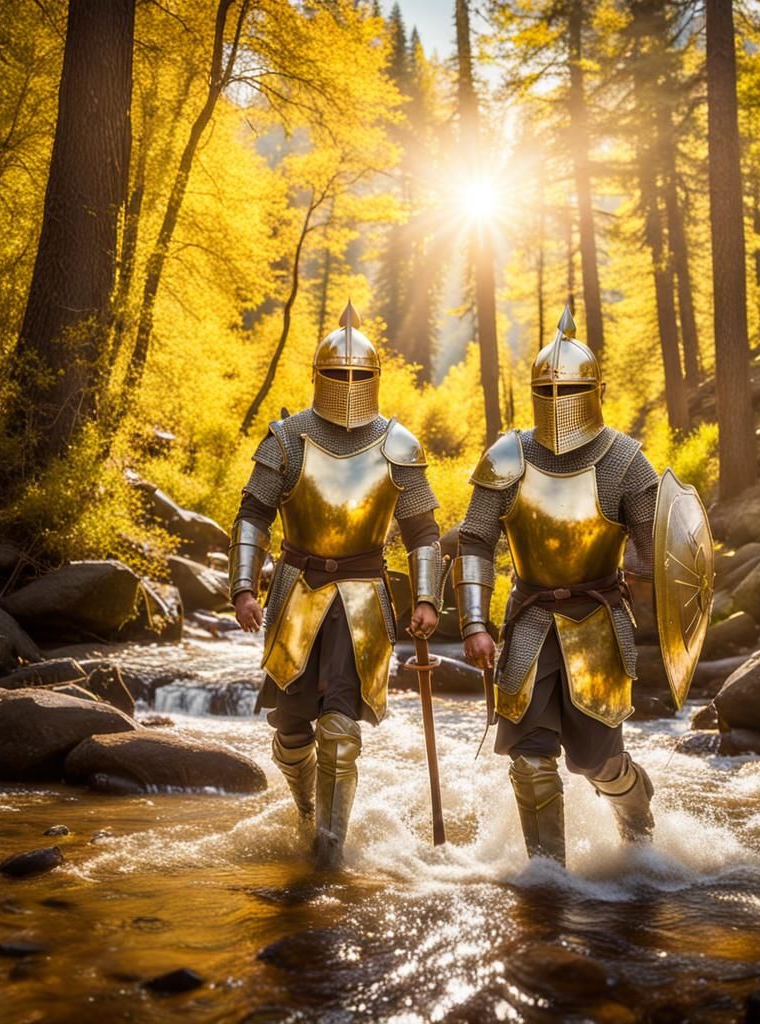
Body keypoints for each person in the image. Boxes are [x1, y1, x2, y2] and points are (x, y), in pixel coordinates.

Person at [229, 301, 445, 868]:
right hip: (297, 592)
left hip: (364, 597)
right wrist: (244, 588)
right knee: (292, 731)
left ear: (374, 378)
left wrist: (426, 596)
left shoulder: (398, 444)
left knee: (341, 729)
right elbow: (253, 514)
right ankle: (306, 810)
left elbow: (423, 531)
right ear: (319, 376)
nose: (348, 384)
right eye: (338, 374)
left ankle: (329, 851)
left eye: (359, 375)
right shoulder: (287, 438)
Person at [453, 306, 662, 866]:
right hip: (529, 622)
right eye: (547, 387)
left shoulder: (625, 460)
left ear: (593, 389)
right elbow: (475, 540)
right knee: (530, 757)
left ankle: (638, 829)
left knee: (596, 762)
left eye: (569, 386)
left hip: (599, 623)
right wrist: (474, 622)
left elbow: (653, 544)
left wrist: (646, 575)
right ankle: (548, 879)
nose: (559, 397)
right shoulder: (507, 456)